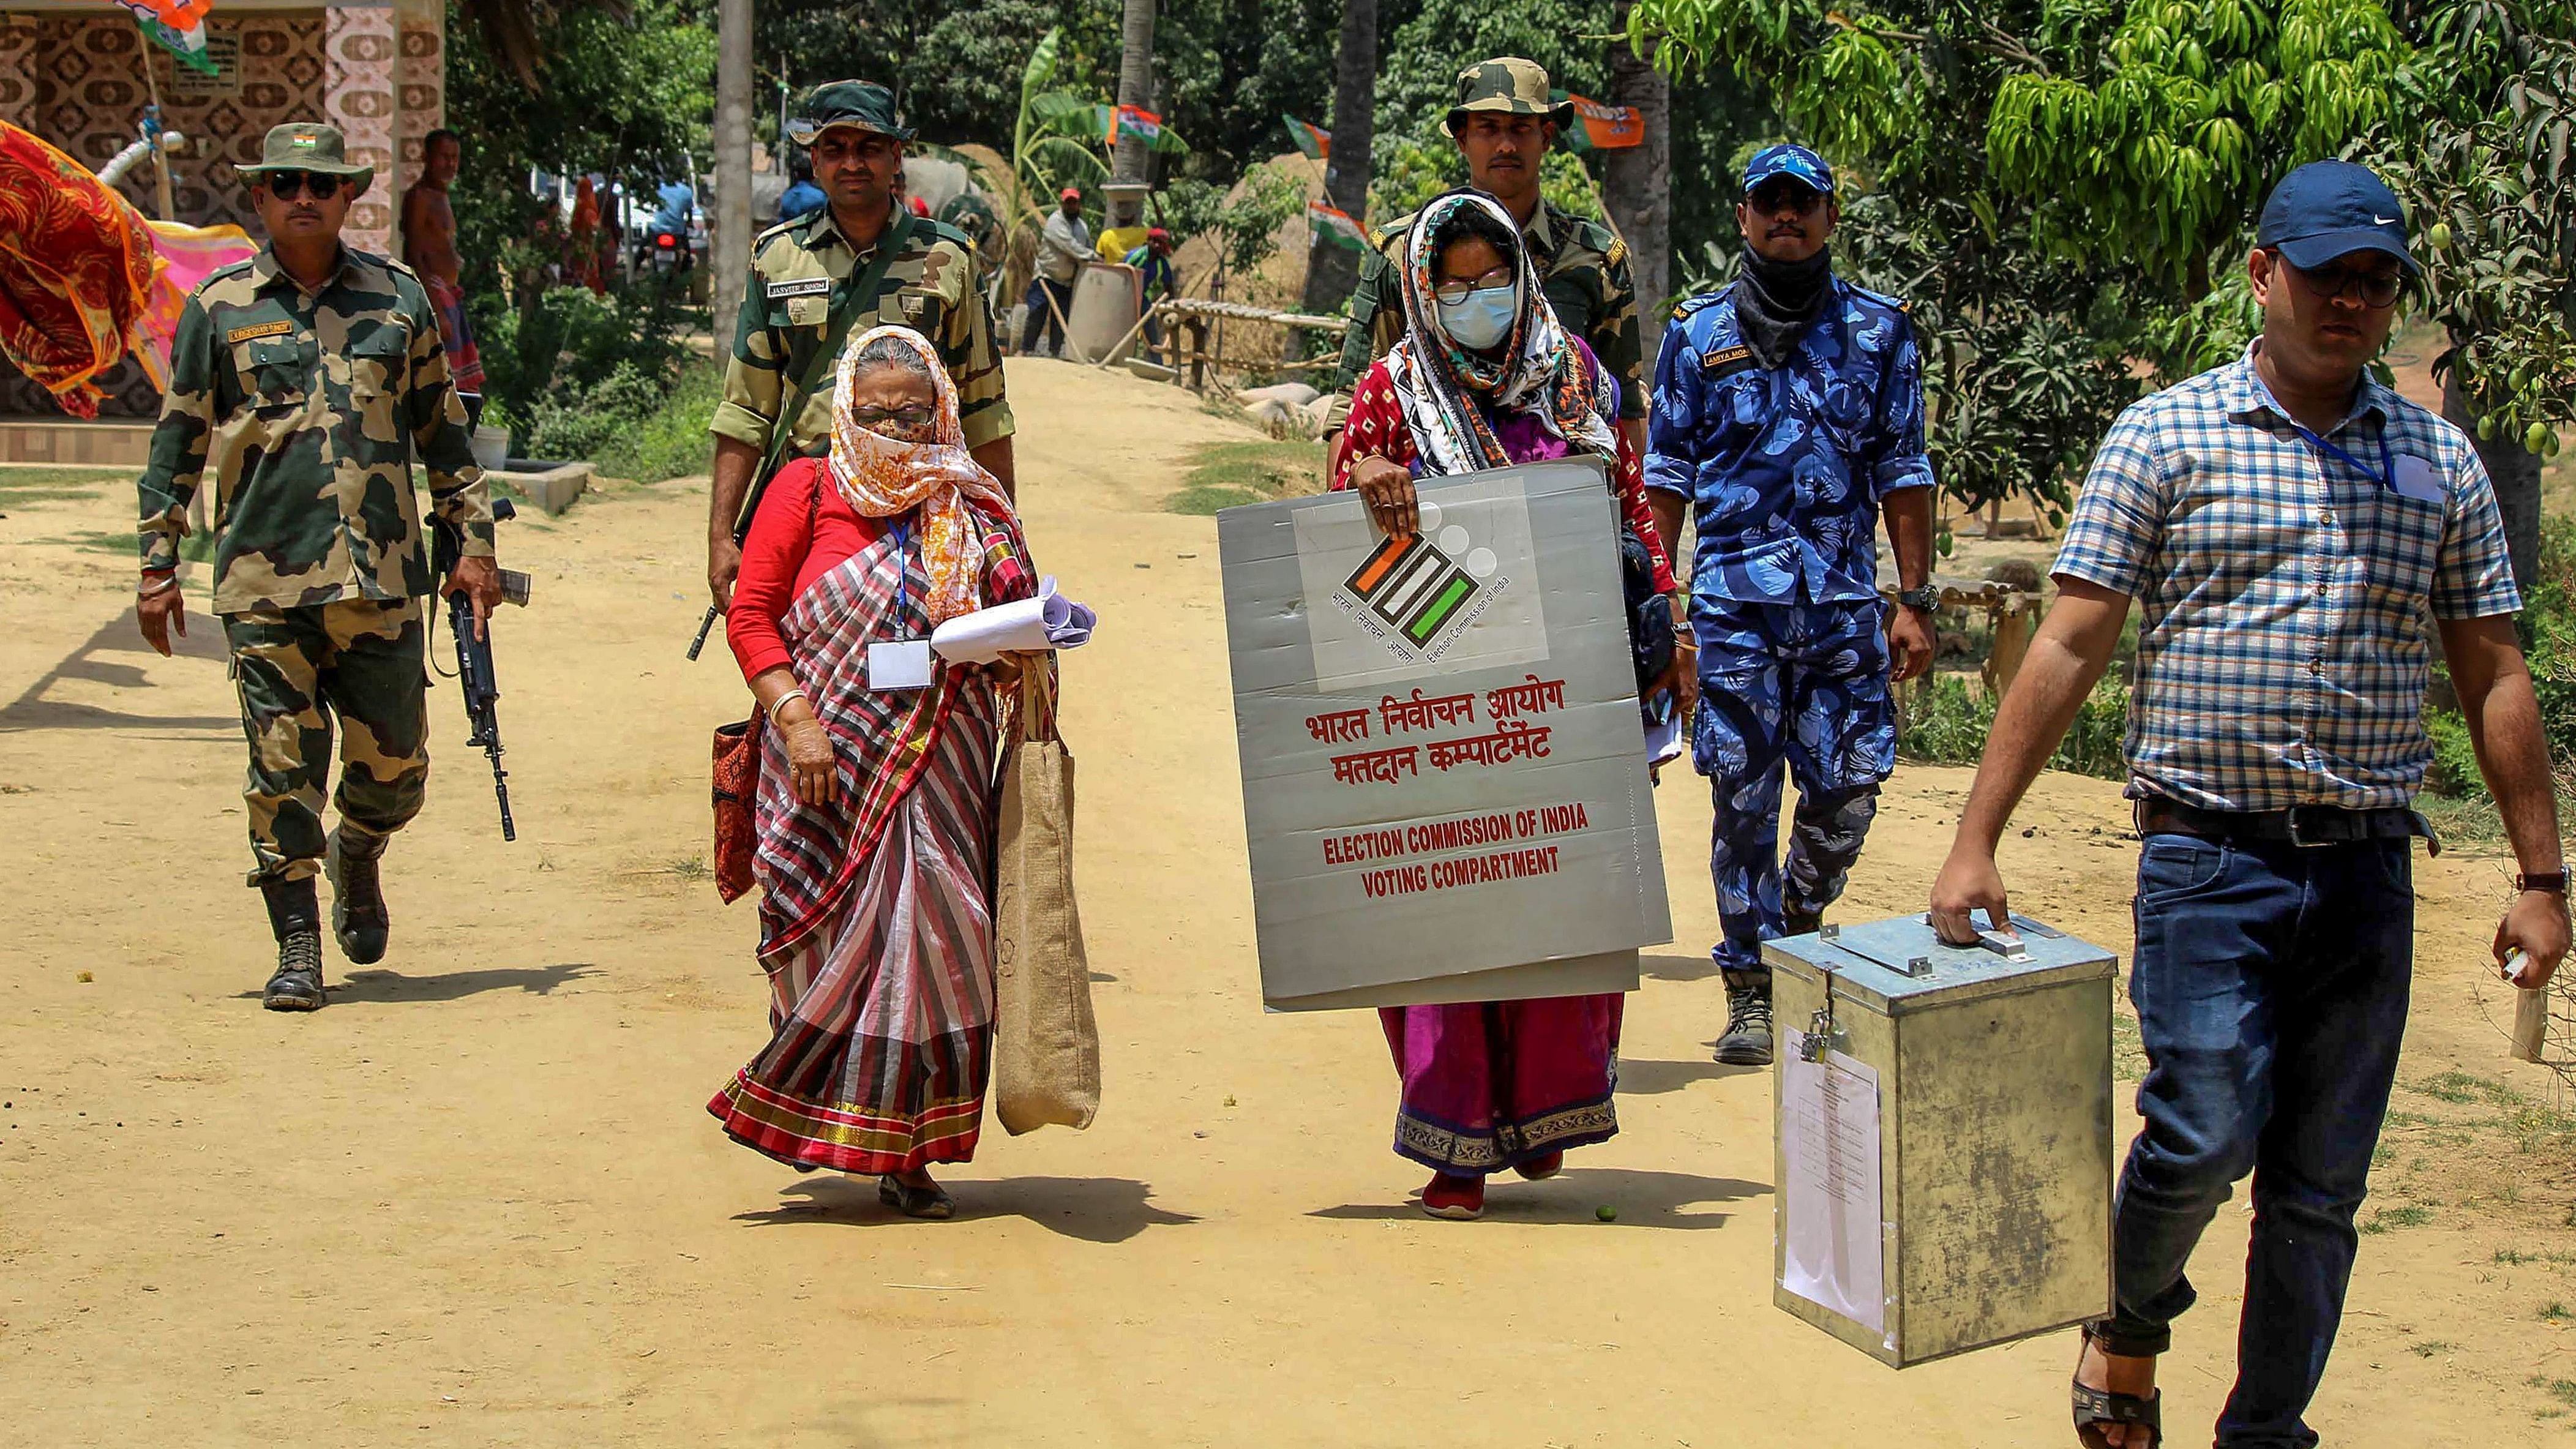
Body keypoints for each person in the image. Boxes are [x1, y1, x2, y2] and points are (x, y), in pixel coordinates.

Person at [1926, 161, 2570, 1449]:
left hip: (2367, 874)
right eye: (2328, 273)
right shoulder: (2164, 436)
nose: (2351, 299)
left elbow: (2492, 664)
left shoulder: (2437, 461)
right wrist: (1973, 836)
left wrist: (2540, 875)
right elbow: (2067, 642)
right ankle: (2126, 1309)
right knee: (2202, 1129)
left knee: (2319, 1191)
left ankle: (2263, 1430)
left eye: (2376, 280)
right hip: (2209, 859)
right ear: (2262, 274)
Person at [1331, 190, 1680, 1220]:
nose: (1477, 298)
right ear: (1423, 291)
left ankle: (1543, 1110)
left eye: (1493, 278)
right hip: (1437, 688)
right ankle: (1455, 1145)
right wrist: (1369, 470)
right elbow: (1338, 492)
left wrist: (1667, 621)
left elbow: (1625, 503)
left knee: (1560, 902)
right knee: (1443, 912)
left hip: (1564, 687)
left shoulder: (1572, 373)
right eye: (1455, 283)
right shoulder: (1392, 389)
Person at [133, 121, 500, 1012]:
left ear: (349, 197)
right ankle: (297, 941)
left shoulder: (398, 298)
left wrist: (476, 543)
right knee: (280, 765)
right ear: (260, 197)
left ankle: (361, 850)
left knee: (398, 770)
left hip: (380, 581)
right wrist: (157, 561)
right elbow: (179, 434)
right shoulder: (221, 306)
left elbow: (444, 436)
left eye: (322, 183)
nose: (304, 196)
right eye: (285, 182)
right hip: (267, 583)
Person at [708, 324, 1042, 1218]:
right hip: (821, 763)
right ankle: (829, 1110)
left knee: (939, 941)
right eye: (873, 410)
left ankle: (907, 1151)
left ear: (942, 406)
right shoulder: (804, 488)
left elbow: (1011, 622)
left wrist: (1016, 653)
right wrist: (798, 720)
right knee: (821, 944)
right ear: (844, 412)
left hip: (942, 758)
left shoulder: (972, 502)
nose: (894, 424)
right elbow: (752, 617)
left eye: (912, 408)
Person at [1644, 143, 1936, 1067]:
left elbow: (1904, 469)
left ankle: (1800, 919)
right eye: (1768, 204)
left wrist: (1915, 597)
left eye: (1801, 205)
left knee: (1848, 792)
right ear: (1742, 217)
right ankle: (1750, 987)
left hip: (1844, 605)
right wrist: (1670, 614)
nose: (1785, 218)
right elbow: (1665, 483)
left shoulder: (1882, 334)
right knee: (1741, 798)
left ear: (1828, 218)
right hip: (1733, 611)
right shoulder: (1696, 336)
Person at [707, 80, 1014, 613]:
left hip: (924, 515)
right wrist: (720, 538)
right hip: (810, 506)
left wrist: (1003, 535)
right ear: (815, 160)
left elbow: (984, 408)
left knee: (926, 669)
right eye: (835, 148)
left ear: (896, 157)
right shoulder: (776, 258)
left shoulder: (949, 257)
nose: (852, 162)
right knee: (804, 668)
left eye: (869, 147)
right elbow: (745, 410)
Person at [1330, 58, 1644, 462]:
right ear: (1462, 140)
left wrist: (1627, 522)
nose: (1506, 146)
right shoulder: (1401, 255)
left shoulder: (1595, 261)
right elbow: (1352, 414)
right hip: (1432, 503)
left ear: (1547, 136)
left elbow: (1624, 415)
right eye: (1488, 129)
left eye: (1521, 129)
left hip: (1563, 498)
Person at [399, 127, 485, 419]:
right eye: (444, 157)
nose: (450, 165)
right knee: (441, 380)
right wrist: (437, 308)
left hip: (449, 294)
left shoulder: (442, 195)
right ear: (426, 157)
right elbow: (414, 253)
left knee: (461, 385)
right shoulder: (419, 197)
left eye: (455, 158)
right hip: (435, 295)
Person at [1020, 186, 1089, 358]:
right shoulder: (1055, 222)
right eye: (1068, 203)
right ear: (1062, 204)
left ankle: (1055, 353)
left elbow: (1086, 246)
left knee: (1061, 320)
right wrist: (1092, 256)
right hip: (1046, 277)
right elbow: (1069, 246)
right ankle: (1025, 349)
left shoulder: (1082, 227)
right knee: (1037, 313)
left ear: (1079, 205)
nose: (1071, 206)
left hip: (1067, 282)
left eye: (1074, 203)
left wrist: (1091, 255)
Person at [1123, 226, 1177, 350]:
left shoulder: (1162, 263)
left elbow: (1169, 286)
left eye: (1161, 243)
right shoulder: (1136, 255)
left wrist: (1171, 306)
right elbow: (1122, 273)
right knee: (1121, 329)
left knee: (1151, 332)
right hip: (1125, 296)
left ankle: (1157, 363)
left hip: (1141, 298)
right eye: (1155, 241)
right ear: (1148, 241)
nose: (1158, 246)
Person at [776, 155, 825, 226]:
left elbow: (781, 223)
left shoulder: (787, 196)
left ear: (796, 175)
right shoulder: (821, 197)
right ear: (814, 174)